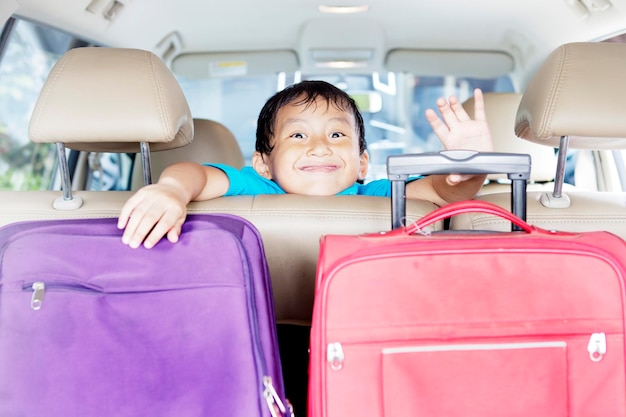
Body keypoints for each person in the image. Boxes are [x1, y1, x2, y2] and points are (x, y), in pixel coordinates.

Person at [118, 80, 493, 249]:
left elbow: (442, 193)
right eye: (298, 136)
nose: (318, 147)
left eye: (336, 136)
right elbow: (196, 174)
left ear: (363, 163)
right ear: (264, 164)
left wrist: (469, 167)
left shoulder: (376, 195)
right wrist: (171, 190)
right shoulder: (253, 187)